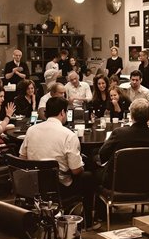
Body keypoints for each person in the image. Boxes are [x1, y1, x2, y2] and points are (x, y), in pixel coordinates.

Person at [20, 97, 98, 229]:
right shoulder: (68, 135)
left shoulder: (31, 130)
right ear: (63, 112)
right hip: (59, 186)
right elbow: (76, 170)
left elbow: (22, 157)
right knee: (89, 176)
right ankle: (89, 221)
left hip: (34, 184)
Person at [97, 98, 149, 184]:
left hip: (117, 182)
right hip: (145, 183)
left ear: (131, 115)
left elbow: (103, 155)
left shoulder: (119, 133)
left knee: (93, 169)